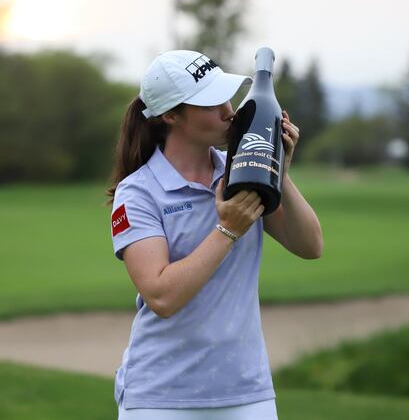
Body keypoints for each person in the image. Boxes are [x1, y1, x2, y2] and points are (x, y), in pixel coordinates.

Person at [105, 49, 323, 420]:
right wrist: (227, 230)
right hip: (161, 398)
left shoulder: (243, 172)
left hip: (246, 391)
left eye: (226, 96)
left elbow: (310, 246)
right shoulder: (138, 193)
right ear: (171, 115)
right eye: (210, 103)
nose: (228, 110)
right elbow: (162, 296)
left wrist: (279, 171)